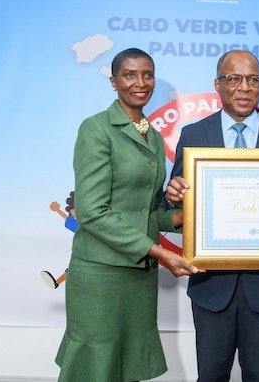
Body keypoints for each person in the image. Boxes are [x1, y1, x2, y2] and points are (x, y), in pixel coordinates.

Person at [56, 47, 198, 381]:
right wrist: (160, 251)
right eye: (129, 74)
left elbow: (147, 210)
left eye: (147, 74)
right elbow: (92, 212)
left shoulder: (150, 134)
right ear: (113, 81)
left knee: (128, 367)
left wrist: (188, 217)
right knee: (94, 368)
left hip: (138, 275)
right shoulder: (97, 129)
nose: (140, 82)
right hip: (101, 276)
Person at [167, 49, 259, 382]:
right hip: (212, 286)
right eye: (234, 79)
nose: (245, 88)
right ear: (218, 84)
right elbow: (176, 206)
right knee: (210, 376)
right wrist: (173, 195)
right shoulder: (194, 135)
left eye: (253, 80)